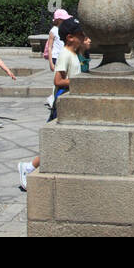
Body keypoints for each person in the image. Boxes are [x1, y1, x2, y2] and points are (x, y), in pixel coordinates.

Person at [19, 18, 87, 189]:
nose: (84, 37)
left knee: (66, 140)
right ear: (71, 37)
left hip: (71, 102)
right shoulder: (65, 54)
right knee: (56, 141)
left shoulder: (74, 54)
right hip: (63, 102)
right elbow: (58, 80)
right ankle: (29, 167)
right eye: (81, 35)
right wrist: (79, 82)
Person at [43, 8, 70, 109]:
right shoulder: (53, 30)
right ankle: (54, 99)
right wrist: (50, 62)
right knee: (57, 79)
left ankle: (56, 97)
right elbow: (50, 47)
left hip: (63, 57)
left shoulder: (65, 29)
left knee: (63, 78)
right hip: (56, 57)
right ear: (58, 20)